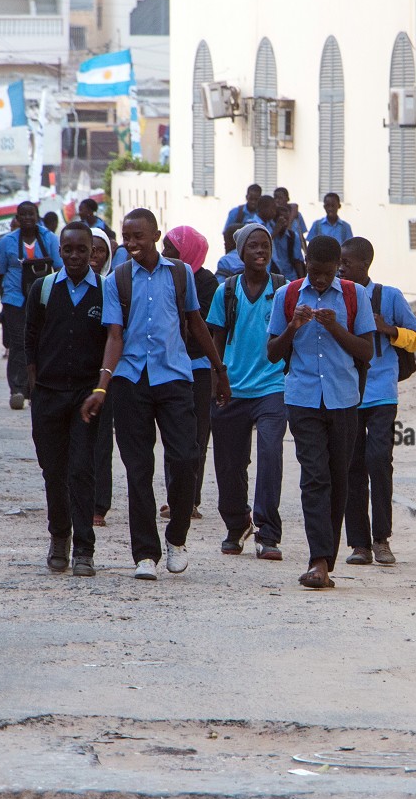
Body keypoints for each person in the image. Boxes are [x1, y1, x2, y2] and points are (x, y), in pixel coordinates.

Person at [81, 208, 231, 580]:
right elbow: (115, 335)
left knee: (185, 458)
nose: (131, 244)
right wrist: (103, 384)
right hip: (132, 381)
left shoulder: (180, 274)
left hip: (175, 378)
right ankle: (144, 555)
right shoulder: (117, 280)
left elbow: (195, 321)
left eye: (139, 238)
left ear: (156, 236)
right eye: (126, 237)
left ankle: (176, 538)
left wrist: (219, 370)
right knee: (138, 469)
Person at [266, 234, 375, 589]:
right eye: (315, 272)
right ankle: (318, 560)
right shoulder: (287, 296)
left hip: (344, 399)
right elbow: (272, 353)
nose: (321, 280)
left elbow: (367, 351)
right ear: (305, 265)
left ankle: (325, 559)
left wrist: (335, 327)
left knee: (338, 478)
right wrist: (294, 326)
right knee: (315, 476)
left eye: (328, 273)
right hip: (302, 398)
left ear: (338, 270)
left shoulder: (355, 295)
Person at [26, 222, 108, 577]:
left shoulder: (105, 292)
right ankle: (59, 538)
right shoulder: (43, 289)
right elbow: (29, 339)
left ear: (94, 253)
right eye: (68, 249)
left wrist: (101, 391)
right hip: (48, 394)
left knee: (81, 469)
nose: (75, 256)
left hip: (87, 397)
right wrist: (35, 386)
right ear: (60, 251)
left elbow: (111, 342)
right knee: (53, 470)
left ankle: (84, 548)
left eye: (82, 250)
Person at [339, 237, 416, 567]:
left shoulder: (388, 296)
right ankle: (358, 544)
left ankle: (381, 539)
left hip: (382, 393)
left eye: (347, 262)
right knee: (352, 467)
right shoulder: (339, 295)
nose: (341, 268)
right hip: (347, 392)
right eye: (339, 263)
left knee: (379, 460)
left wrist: (388, 329)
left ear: (365, 264)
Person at [206, 222, 287, 559]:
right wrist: (217, 384)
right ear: (241, 252)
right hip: (233, 387)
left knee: (270, 455)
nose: (260, 250)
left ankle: (268, 532)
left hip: (273, 386)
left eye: (265, 244)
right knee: (229, 463)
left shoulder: (282, 289)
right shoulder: (226, 291)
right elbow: (216, 343)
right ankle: (237, 524)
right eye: (253, 245)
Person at [160, 226, 219, 520]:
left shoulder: (206, 282)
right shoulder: (163, 275)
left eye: (170, 249)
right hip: (170, 366)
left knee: (197, 436)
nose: (164, 254)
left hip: (198, 367)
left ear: (185, 252)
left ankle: (190, 498)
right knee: (174, 435)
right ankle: (174, 497)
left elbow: (202, 325)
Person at [0, 201, 62, 410]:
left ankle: (36, 388)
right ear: (16, 217)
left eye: (30, 214)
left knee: (40, 342)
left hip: (42, 298)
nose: (27, 219)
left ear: (37, 216)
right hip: (15, 299)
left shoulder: (49, 238)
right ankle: (17, 389)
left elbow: (60, 268)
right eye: (22, 215)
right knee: (18, 343)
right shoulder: (6, 242)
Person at [88, 228, 118, 528]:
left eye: (100, 251)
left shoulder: (112, 286)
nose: (94, 256)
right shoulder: (58, 287)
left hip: (104, 376)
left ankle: (99, 503)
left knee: (101, 442)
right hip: (71, 374)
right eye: (90, 249)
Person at [269, 202, 305, 280]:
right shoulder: (270, 233)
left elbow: (297, 260)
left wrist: (301, 279)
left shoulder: (293, 236)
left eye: (287, 219)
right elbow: (265, 243)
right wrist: (276, 230)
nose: (285, 222)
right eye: (282, 219)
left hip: (290, 276)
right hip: (273, 275)